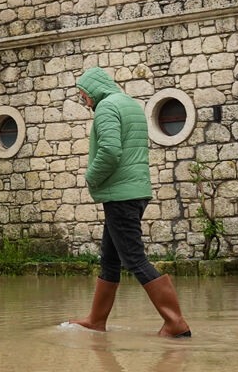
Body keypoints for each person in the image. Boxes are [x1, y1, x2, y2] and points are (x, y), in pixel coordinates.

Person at [68, 66, 191, 338]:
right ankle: (96, 320)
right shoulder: (129, 104)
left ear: (93, 91)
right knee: (110, 259)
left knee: (134, 259)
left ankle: (175, 322)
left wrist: (91, 177)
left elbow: (110, 151)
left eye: (83, 95)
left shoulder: (106, 107)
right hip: (134, 192)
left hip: (120, 194)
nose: (84, 101)